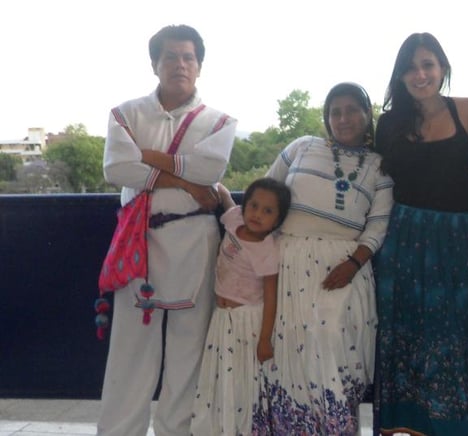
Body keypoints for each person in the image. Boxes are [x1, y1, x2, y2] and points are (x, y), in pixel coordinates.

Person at [98, 24, 236, 436]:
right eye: (171, 57)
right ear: (154, 64)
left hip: (194, 241)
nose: (180, 64)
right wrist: (186, 182)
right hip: (138, 243)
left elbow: (210, 169)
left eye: (188, 57)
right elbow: (117, 169)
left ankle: (177, 431)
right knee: (129, 352)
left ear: (199, 66)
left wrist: (148, 158)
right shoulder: (126, 113)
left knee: (188, 351)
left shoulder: (218, 122)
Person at [373, 32, 468, 436]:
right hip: (404, 240)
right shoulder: (389, 123)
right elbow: (375, 179)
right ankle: (412, 423)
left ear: (443, 68)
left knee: (456, 329)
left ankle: (459, 424)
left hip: (458, 239)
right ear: (400, 75)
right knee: (407, 331)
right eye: (410, 67)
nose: (420, 74)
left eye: (428, 64)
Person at [259, 82, 394, 435]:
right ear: (326, 117)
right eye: (336, 112)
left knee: (333, 353)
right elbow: (264, 195)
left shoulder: (380, 167)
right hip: (286, 268)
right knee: (285, 354)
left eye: (352, 110)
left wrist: (354, 264)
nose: (343, 118)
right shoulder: (302, 147)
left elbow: (377, 227)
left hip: (342, 272)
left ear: (367, 115)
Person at [189, 179, 290, 436]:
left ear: (278, 220)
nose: (257, 214)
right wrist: (215, 183)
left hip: (247, 324)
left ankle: (241, 429)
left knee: (241, 379)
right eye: (253, 205)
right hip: (222, 319)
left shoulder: (267, 251)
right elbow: (226, 200)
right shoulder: (234, 219)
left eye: (268, 211)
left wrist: (264, 339)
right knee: (219, 376)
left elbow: (271, 298)